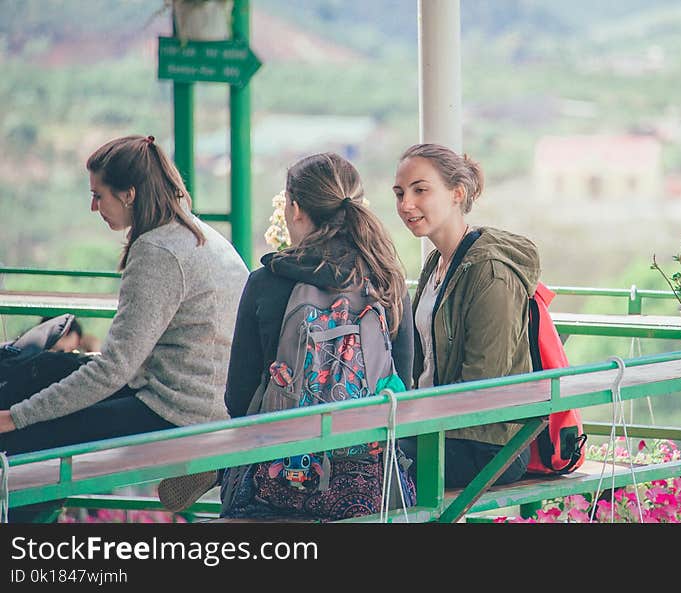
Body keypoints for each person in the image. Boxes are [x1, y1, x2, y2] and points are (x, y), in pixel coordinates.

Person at [0, 134, 249, 455]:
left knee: (27, 437)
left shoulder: (158, 250)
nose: (93, 207)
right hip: (207, 399)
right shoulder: (192, 230)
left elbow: (114, 368)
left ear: (129, 194)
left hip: (180, 413)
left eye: (98, 195)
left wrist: (16, 418)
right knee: (42, 367)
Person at [203, 152, 415, 521]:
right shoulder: (387, 281)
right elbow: (405, 383)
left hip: (276, 489)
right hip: (369, 490)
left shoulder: (266, 282)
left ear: (296, 209)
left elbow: (238, 399)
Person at [393, 143, 540, 488]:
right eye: (399, 193)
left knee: (364, 470)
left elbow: (483, 384)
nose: (405, 204)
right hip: (438, 428)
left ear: (457, 193)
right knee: (351, 458)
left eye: (420, 190)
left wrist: (413, 416)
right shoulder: (437, 263)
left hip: (488, 443)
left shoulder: (490, 272)